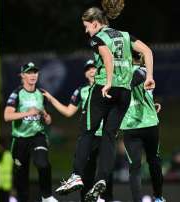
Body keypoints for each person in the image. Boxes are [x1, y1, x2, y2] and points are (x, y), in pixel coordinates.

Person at [55, 0, 155, 201]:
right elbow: (147, 51)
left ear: (94, 23)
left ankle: (76, 176)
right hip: (124, 93)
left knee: (87, 132)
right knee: (109, 135)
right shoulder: (125, 36)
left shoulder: (97, 38)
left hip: (103, 89)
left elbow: (107, 58)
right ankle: (101, 179)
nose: (86, 31)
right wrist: (150, 76)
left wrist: (108, 82)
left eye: (86, 26)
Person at [42, 59, 113, 201]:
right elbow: (69, 112)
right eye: (88, 69)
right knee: (87, 173)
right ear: (85, 74)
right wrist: (51, 99)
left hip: (106, 134)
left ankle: (107, 199)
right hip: (89, 137)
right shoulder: (81, 91)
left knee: (107, 173)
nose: (92, 71)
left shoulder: (109, 87)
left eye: (94, 68)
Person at [4, 62, 57, 202]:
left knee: (43, 163)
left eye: (35, 72)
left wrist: (46, 117)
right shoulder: (16, 94)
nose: (33, 75)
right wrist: (26, 113)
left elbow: (49, 120)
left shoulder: (41, 94)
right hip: (20, 140)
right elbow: (7, 116)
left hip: (37, 136)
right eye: (29, 72)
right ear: (22, 76)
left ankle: (46, 196)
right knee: (21, 178)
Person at [120, 53, 166, 202]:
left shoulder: (135, 72)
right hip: (146, 125)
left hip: (134, 126)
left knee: (137, 167)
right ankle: (158, 197)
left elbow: (137, 79)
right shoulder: (145, 70)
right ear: (141, 57)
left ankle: (145, 199)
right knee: (153, 162)